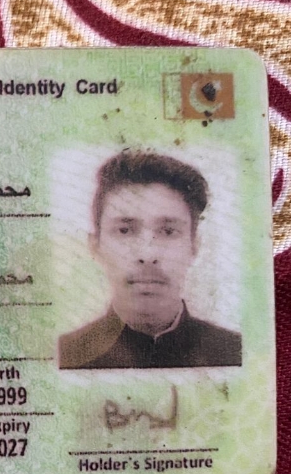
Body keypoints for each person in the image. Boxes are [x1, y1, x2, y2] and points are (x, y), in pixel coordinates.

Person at [58, 150, 242, 369]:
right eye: (125, 230)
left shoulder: (235, 354)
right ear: (95, 246)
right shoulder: (65, 356)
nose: (147, 254)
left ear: (194, 245)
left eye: (168, 231)